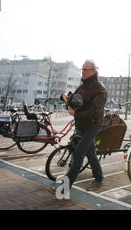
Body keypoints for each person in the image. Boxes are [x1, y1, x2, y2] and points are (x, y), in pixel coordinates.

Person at [47, 60, 107, 194]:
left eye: (86, 70)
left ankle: (63, 187)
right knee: (91, 153)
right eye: (82, 69)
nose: (83, 72)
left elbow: (95, 111)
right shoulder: (82, 87)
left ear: (94, 71)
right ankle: (99, 177)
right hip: (82, 124)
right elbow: (76, 102)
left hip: (93, 124)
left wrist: (76, 113)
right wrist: (66, 100)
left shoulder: (100, 89)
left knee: (79, 151)